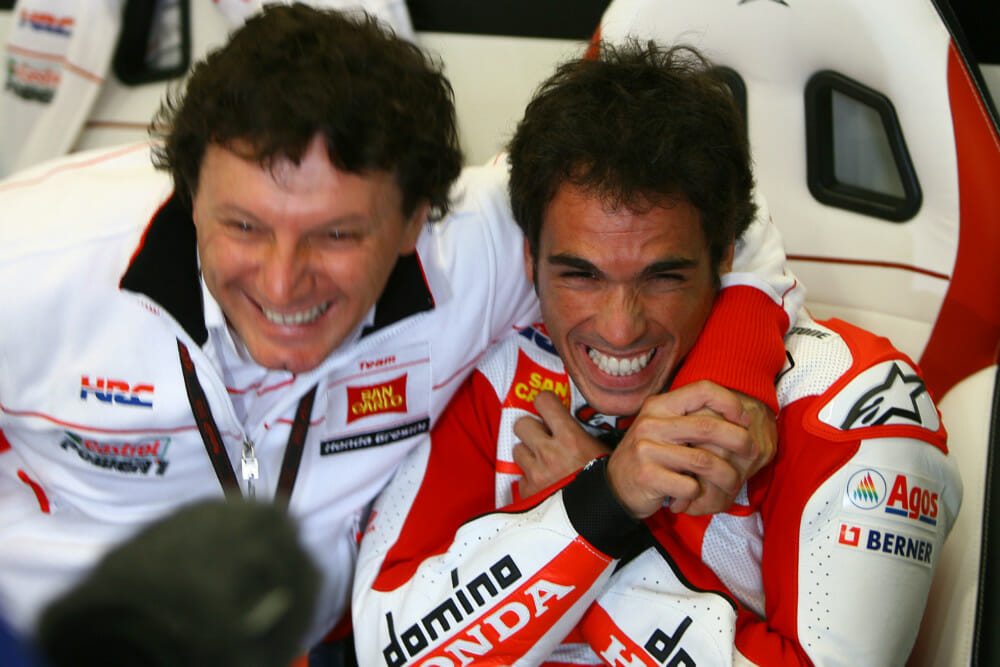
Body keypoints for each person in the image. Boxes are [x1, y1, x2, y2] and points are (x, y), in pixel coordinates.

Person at [0, 3, 798, 655]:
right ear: (187, 194)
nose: (281, 282)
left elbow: (729, 218)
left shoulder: (480, 243)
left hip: (318, 640)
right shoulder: (30, 258)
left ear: (417, 218)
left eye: (338, 235)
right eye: (244, 225)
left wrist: (727, 388)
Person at [351, 42, 962, 665]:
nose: (620, 329)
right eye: (580, 275)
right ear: (529, 258)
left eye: (663, 277)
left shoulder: (856, 407)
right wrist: (601, 503)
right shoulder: (501, 370)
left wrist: (594, 519)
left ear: (726, 254)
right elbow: (387, 649)